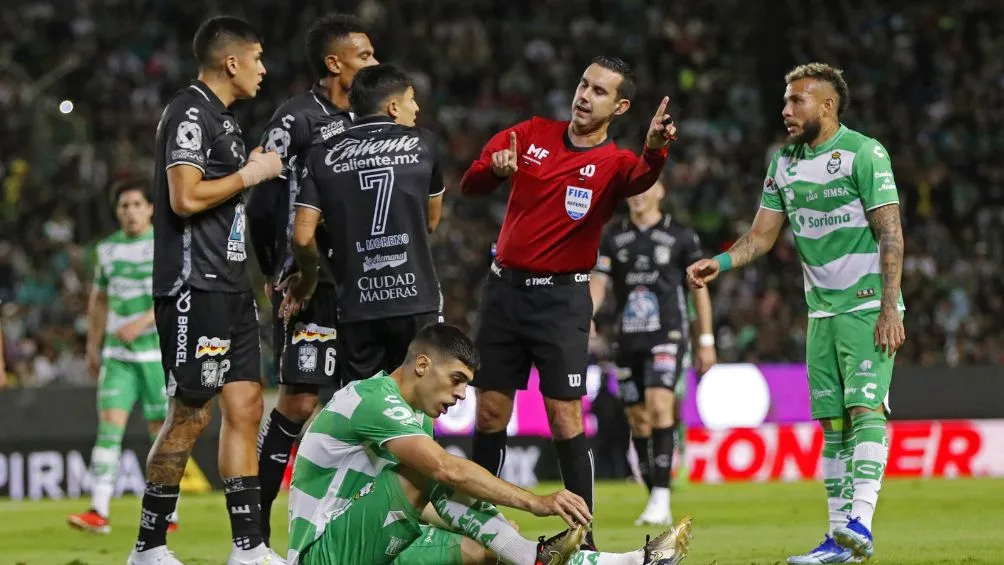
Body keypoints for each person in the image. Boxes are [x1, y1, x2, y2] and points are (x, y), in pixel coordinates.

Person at [687, 62, 905, 564]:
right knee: (831, 426)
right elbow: (761, 237)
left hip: (868, 303)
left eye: (796, 101)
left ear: (826, 105)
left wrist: (890, 307)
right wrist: (720, 262)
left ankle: (861, 525)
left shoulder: (863, 154)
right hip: (821, 313)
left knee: (865, 410)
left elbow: (890, 233)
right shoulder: (783, 162)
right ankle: (836, 541)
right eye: (785, 101)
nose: (785, 110)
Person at [459, 55, 678, 548]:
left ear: (619, 106)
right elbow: (470, 184)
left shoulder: (617, 163)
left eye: (600, 91)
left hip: (560, 301)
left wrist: (657, 150)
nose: (585, 95)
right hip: (502, 294)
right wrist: (493, 171)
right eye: (583, 84)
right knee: (490, 413)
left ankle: (584, 540)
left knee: (565, 418)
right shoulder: (530, 133)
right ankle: (478, 528)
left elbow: (642, 176)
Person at [286, 322, 692, 565]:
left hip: (364, 535)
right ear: (423, 365)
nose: (462, 394)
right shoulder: (371, 400)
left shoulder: (416, 417)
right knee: (436, 470)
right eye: (457, 379)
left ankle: (632, 561)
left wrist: (492, 531)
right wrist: (535, 503)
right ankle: (530, 555)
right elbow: (443, 473)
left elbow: (422, 502)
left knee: (487, 551)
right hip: (322, 552)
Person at [128, 16, 284, 565]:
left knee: (245, 407)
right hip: (194, 284)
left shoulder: (223, 118)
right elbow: (185, 198)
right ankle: (147, 548)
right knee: (191, 415)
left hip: (230, 284)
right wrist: (253, 174)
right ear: (231, 62)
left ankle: (248, 548)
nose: (264, 69)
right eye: (258, 58)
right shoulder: (190, 111)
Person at [246, 13, 378, 545]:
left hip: (367, 282)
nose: (374, 62)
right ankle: (251, 535)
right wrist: (276, 269)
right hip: (310, 279)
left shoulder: (375, 117)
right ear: (334, 62)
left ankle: (354, 531)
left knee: (361, 401)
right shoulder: (298, 117)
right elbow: (261, 198)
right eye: (364, 55)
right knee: (299, 401)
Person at [281, 64, 444, 387]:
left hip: (357, 304)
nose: (417, 107)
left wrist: (308, 278)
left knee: (363, 408)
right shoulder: (425, 144)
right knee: (416, 405)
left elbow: (301, 237)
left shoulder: (322, 154)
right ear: (393, 107)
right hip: (416, 300)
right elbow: (431, 222)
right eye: (412, 100)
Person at [589, 179, 717, 527]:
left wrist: (705, 340)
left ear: (661, 191)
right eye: (633, 188)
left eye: (648, 187)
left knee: (661, 406)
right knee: (638, 419)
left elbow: (699, 290)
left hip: (668, 335)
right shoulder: (613, 237)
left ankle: (661, 498)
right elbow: (599, 282)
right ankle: (655, 496)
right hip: (628, 340)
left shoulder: (682, 237)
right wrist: (589, 313)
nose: (640, 194)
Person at [67, 179, 175, 535]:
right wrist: (92, 345)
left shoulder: (163, 244)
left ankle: (166, 509)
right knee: (109, 429)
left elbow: (173, 293)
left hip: (156, 353)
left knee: (160, 432)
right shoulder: (107, 249)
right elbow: (98, 300)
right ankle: (98, 510)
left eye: (135, 204)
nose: (129, 211)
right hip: (118, 355)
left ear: (150, 209)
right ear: (117, 212)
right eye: (123, 206)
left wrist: (142, 321)